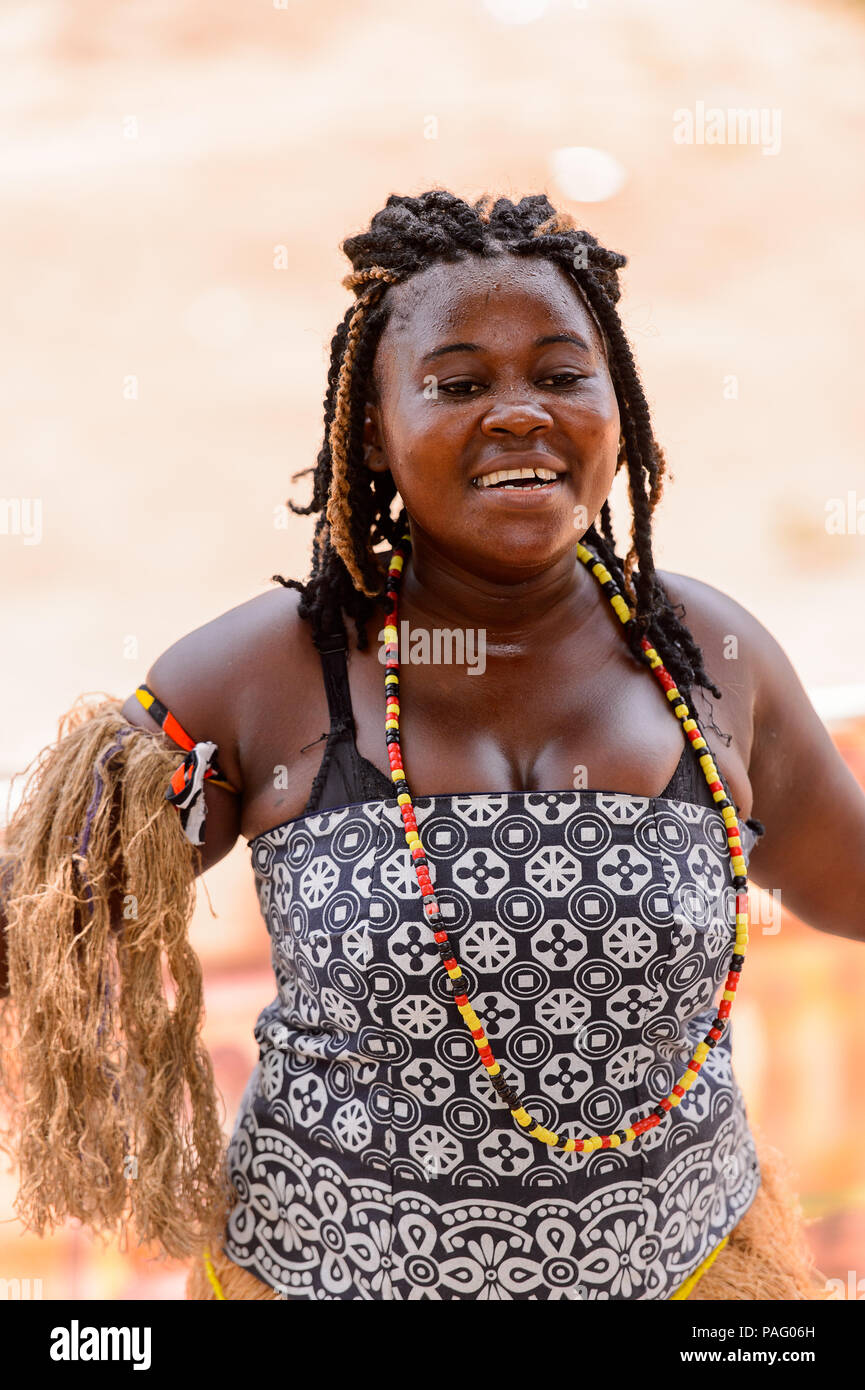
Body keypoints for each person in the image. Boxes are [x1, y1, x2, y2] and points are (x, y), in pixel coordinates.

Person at [2, 191, 861, 1301]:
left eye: (560, 375)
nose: (519, 414)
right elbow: (37, 913)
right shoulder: (261, 676)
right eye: (459, 385)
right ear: (370, 425)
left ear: (620, 404)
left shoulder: (713, 660)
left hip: (692, 1281)